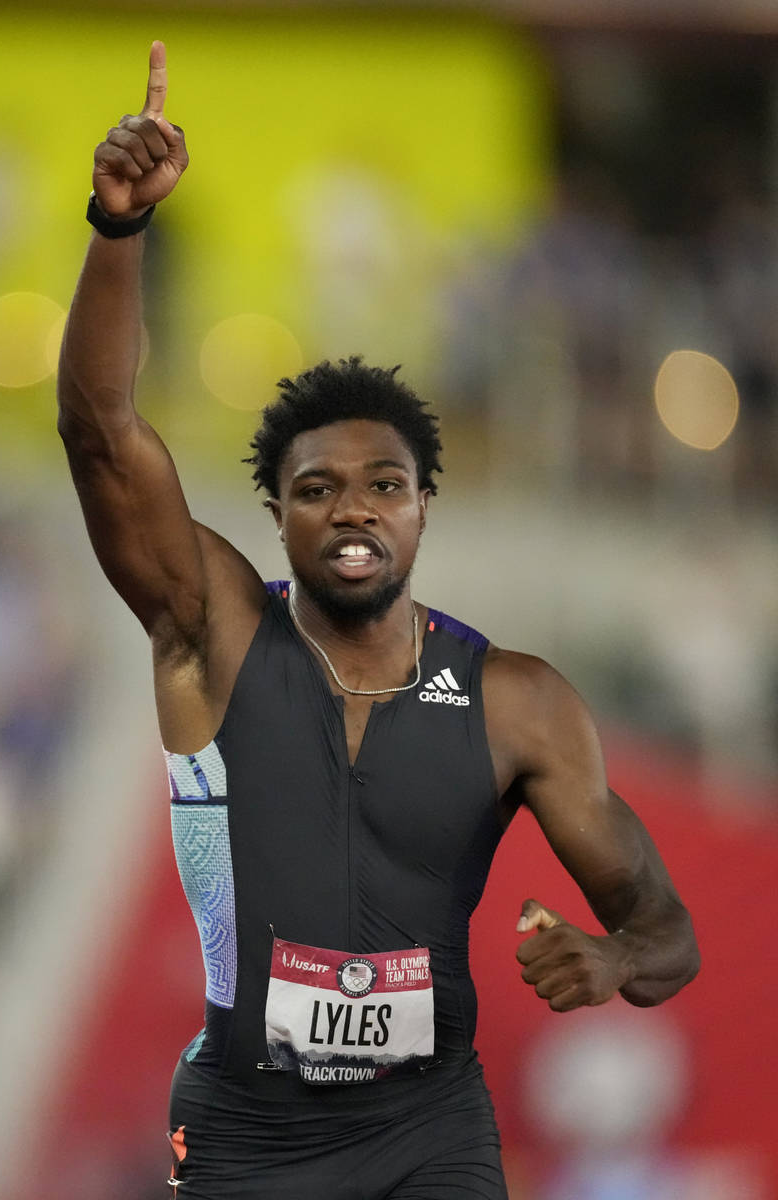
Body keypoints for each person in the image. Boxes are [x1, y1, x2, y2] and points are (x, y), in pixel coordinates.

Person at [58, 41, 700, 1200]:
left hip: (430, 1133)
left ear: (421, 510)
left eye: (383, 486)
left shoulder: (517, 700)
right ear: (277, 514)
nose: (352, 509)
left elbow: (664, 928)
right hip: (247, 1131)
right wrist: (116, 232)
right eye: (316, 490)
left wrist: (615, 958)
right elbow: (103, 430)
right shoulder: (212, 631)